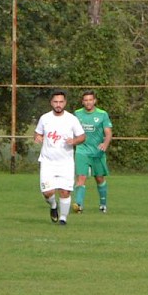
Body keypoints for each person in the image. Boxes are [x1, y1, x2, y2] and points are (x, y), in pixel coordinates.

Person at [35, 90, 86, 226]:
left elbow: (82, 136)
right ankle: (53, 205)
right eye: (55, 102)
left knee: (65, 191)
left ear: (65, 102)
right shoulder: (44, 118)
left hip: (66, 163)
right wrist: (38, 137)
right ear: (51, 103)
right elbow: (37, 133)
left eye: (61, 102)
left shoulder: (71, 119)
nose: (58, 104)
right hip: (47, 161)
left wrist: (74, 141)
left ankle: (63, 219)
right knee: (47, 192)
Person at [73, 90, 114, 213]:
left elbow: (108, 133)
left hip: (97, 152)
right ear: (82, 102)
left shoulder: (102, 114)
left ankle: (103, 204)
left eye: (90, 100)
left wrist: (105, 144)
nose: (88, 102)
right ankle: (79, 205)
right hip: (82, 150)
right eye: (85, 100)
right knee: (81, 177)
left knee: (99, 178)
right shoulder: (77, 114)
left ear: (94, 101)